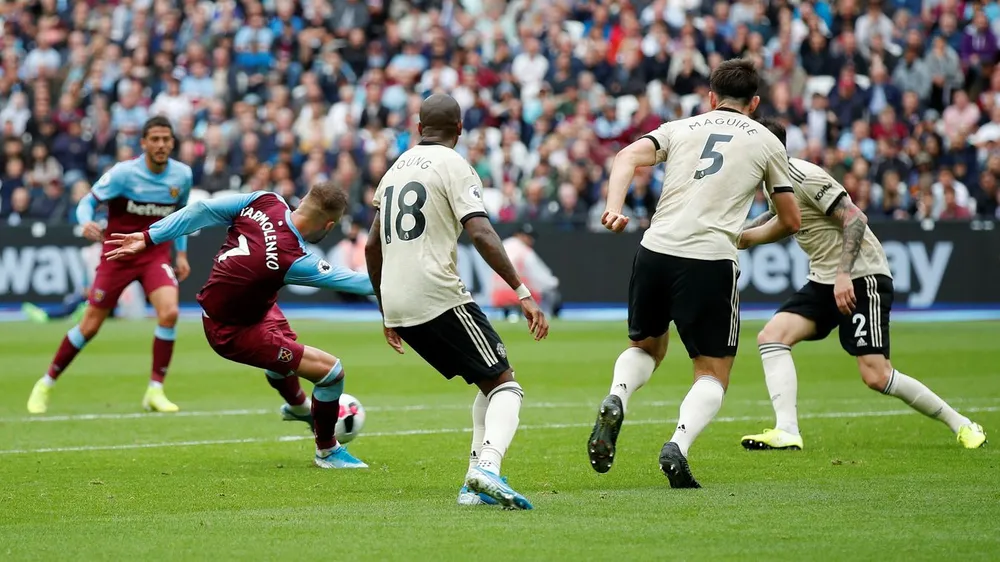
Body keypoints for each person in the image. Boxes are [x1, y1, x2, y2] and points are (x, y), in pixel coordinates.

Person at [586, 59, 801, 488]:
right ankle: (678, 446)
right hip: (710, 259)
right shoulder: (766, 141)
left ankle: (617, 395)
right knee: (712, 372)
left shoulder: (680, 127)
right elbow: (791, 220)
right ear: (755, 103)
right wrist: (747, 238)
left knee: (646, 347)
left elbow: (626, 156)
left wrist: (613, 208)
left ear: (711, 97)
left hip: (655, 249)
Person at [739, 119, 986, 452]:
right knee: (772, 337)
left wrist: (844, 274)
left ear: (768, 149)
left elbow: (855, 218)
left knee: (876, 375)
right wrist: (735, 233)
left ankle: (962, 424)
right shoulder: (776, 184)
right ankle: (787, 431)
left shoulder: (804, 176)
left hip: (860, 276)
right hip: (824, 279)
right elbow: (777, 218)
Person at [104, 183, 374, 468]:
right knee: (331, 373)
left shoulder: (265, 201)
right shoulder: (294, 259)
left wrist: (149, 236)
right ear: (329, 225)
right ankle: (327, 451)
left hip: (255, 310)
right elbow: (363, 284)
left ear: (302, 200)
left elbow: (201, 210)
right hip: (232, 333)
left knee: (286, 354)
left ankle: (297, 407)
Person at [365, 94, 549, 509]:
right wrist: (522, 291)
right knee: (507, 386)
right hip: (436, 293)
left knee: (488, 379)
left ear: (418, 128)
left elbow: (372, 245)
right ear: (460, 129)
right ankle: (488, 468)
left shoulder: (395, 169)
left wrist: (385, 310)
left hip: (398, 301)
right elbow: (481, 232)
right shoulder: (454, 164)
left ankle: (473, 482)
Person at [27, 116, 193, 415]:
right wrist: (85, 221)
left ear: (172, 142)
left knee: (169, 313)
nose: (161, 145)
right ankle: (46, 382)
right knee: (90, 326)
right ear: (143, 143)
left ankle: (155, 391)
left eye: (166, 139)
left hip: (154, 255)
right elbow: (87, 202)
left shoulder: (182, 175)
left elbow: (180, 217)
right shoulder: (123, 174)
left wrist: (181, 255)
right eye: (155, 139)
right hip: (118, 255)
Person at [490, 223, 561, 318]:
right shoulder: (524, 250)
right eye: (527, 236)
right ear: (518, 235)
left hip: (497, 296)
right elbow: (539, 275)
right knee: (551, 292)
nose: (530, 240)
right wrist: (553, 282)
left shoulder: (502, 245)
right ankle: (547, 314)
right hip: (519, 296)